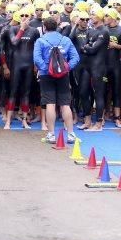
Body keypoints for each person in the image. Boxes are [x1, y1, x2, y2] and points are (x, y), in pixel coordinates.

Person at [33, 16, 80, 144]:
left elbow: (36, 59)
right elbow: (76, 57)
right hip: (63, 75)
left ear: (44, 27)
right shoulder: (65, 40)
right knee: (65, 104)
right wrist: (66, 68)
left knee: (50, 104)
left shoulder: (40, 40)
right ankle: (71, 134)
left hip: (46, 75)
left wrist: (46, 69)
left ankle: (51, 134)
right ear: (57, 26)